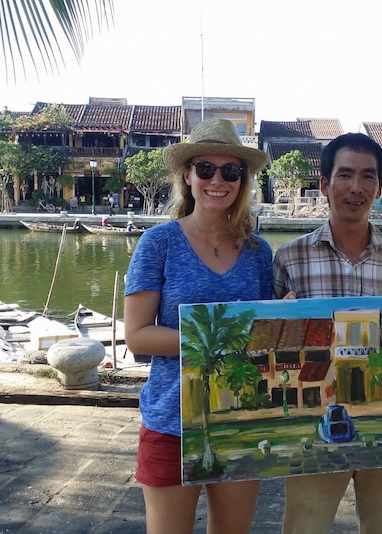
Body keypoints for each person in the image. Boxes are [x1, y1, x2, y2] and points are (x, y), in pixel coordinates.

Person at [273, 132, 382, 534]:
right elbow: (275, 352)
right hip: (312, 431)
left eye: (367, 177)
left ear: (379, 187)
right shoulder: (290, 258)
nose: (355, 187)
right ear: (324, 185)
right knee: (304, 527)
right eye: (344, 175)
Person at [124, 118, 273, 534]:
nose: (217, 180)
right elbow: (136, 336)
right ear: (187, 175)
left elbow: (261, 339)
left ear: (242, 181)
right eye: (205, 169)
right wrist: (226, 336)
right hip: (171, 418)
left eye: (231, 171)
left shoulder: (259, 252)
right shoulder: (159, 243)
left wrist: (281, 320)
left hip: (241, 416)